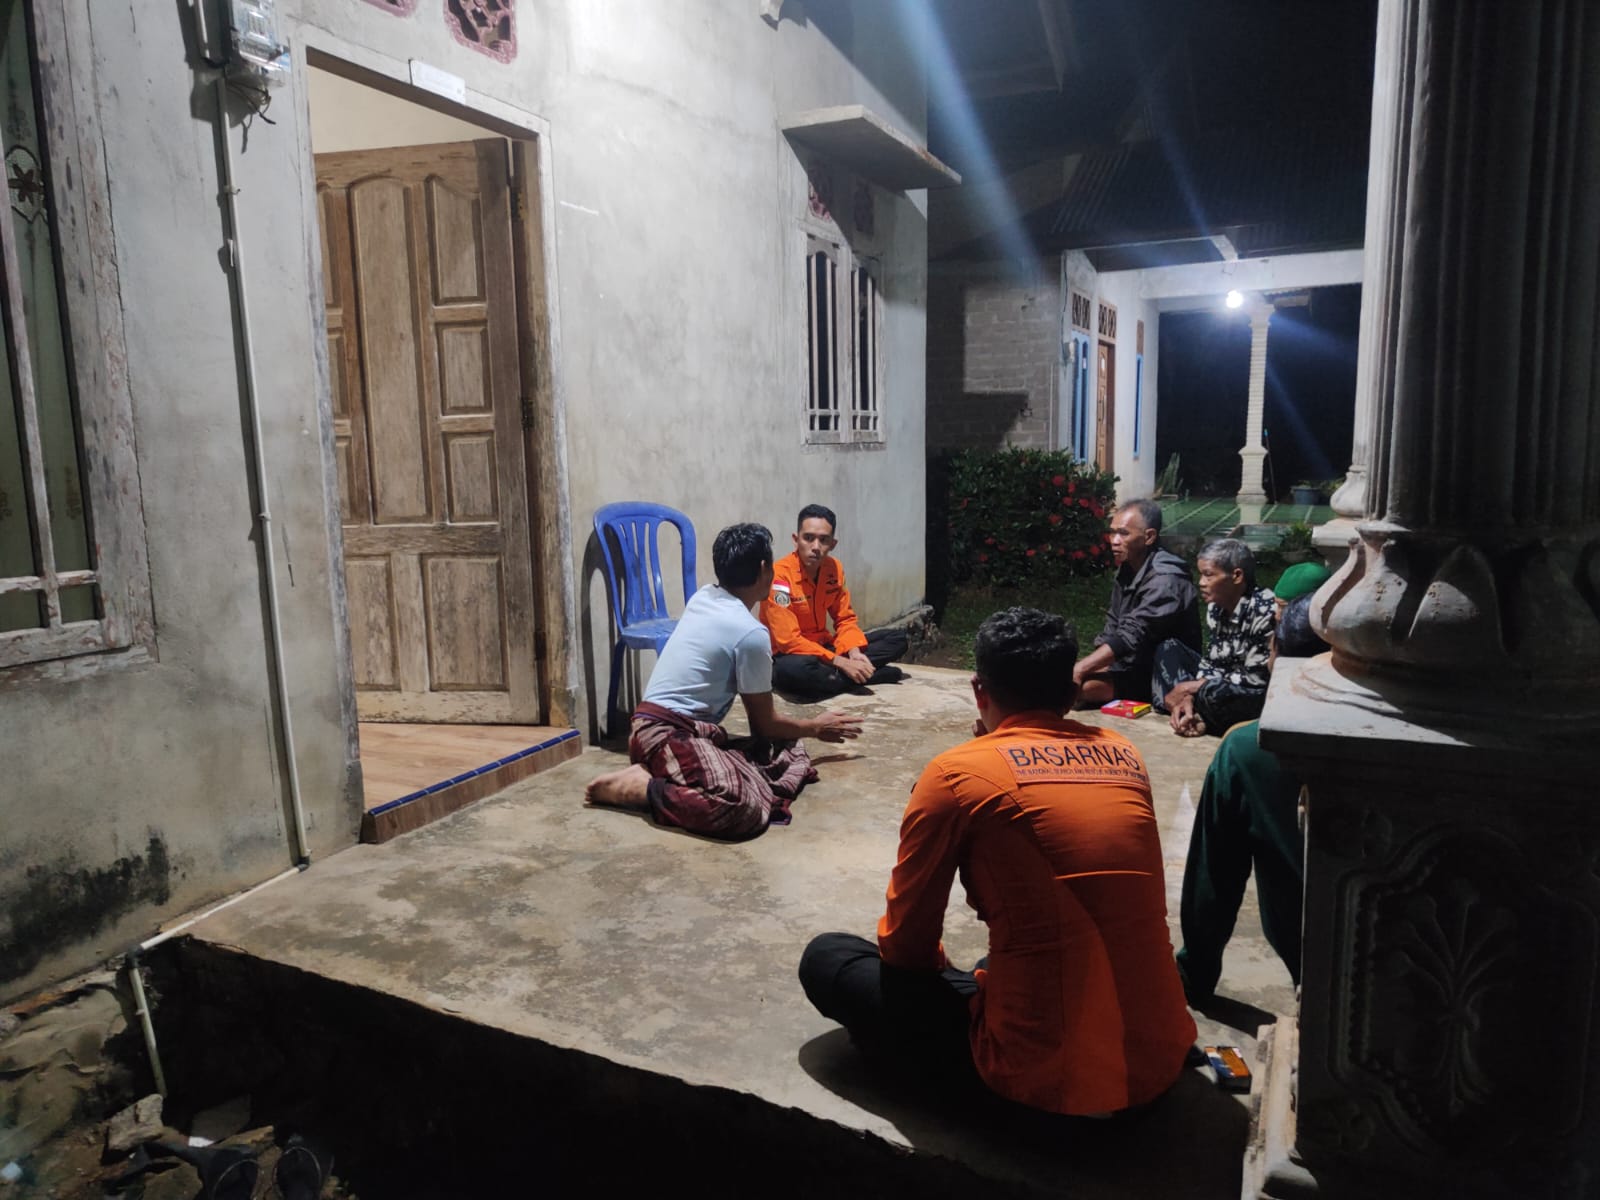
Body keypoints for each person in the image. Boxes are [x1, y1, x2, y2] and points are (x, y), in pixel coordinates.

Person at [799, 608, 1196, 1118]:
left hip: (1043, 1088)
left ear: (979, 691)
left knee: (829, 957)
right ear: (1071, 693)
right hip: (1159, 1062)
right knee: (1016, 958)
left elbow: (907, 950)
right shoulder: (1125, 754)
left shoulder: (954, 775)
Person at [585, 523, 862, 840]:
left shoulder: (704, 596)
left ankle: (672, 771)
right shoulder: (750, 633)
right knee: (744, 807)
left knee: (788, 751)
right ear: (764, 569)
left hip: (671, 731)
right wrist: (815, 727)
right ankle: (645, 789)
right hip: (663, 735)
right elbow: (764, 725)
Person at [1174, 581, 1331, 1005]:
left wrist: (1195, 972)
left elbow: (1214, 879)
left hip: (1314, 958)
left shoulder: (1251, 749)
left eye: (1272, 643)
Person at [760, 504, 908, 700]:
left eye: (823, 540)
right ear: (796, 540)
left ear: (833, 544)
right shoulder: (779, 576)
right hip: (789, 655)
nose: (815, 547)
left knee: (897, 639)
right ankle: (867, 676)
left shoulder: (834, 569)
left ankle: (838, 677)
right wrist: (841, 662)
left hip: (824, 649)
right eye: (808, 538)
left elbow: (845, 619)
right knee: (796, 671)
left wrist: (853, 652)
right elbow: (789, 642)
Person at [1072, 499, 1201, 709]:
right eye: (1112, 532)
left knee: (1078, 688)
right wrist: (1092, 666)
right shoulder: (1128, 568)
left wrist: (1081, 669)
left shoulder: (1166, 578)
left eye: (1123, 533)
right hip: (1130, 665)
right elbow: (1113, 627)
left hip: (1162, 674)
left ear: (1149, 536)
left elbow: (1133, 634)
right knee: (1063, 680)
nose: (1114, 541)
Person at [1155, 538, 1275, 737]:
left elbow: (1255, 680)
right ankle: (1186, 708)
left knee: (1213, 693)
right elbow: (1212, 662)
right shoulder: (1215, 608)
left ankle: (1194, 714)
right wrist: (1189, 694)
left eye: (1209, 575)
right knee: (1168, 649)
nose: (1201, 582)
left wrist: (1196, 686)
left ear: (1237, 576)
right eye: (1201, 574)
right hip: (1222, 683)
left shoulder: (1265, 611)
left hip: (1253, 693)